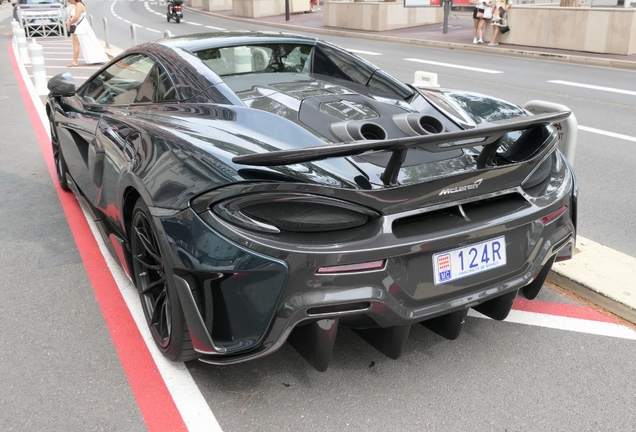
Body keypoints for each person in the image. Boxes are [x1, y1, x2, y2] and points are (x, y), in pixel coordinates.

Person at [65, 0, 109, 67]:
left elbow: (76, 17)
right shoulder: (76, 5)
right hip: (80, 26)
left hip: (81, 27)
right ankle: (95, 58)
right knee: (88, 42)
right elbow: (72, 16)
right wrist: (68, 20)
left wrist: (69, 23)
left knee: (76, 44)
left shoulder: (79, 5)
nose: (68, 1)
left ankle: (74, 62)